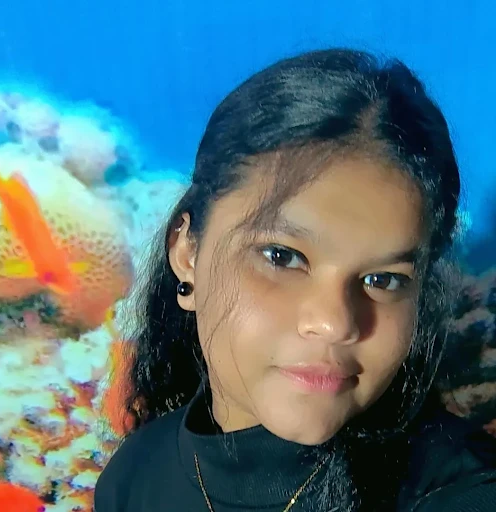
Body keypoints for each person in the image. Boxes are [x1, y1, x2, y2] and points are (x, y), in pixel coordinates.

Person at [93, 48, 496, 511]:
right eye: (281, 257)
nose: (335, 323)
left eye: (383, 280)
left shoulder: (463, 494)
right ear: (187, 253)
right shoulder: (131, 479)